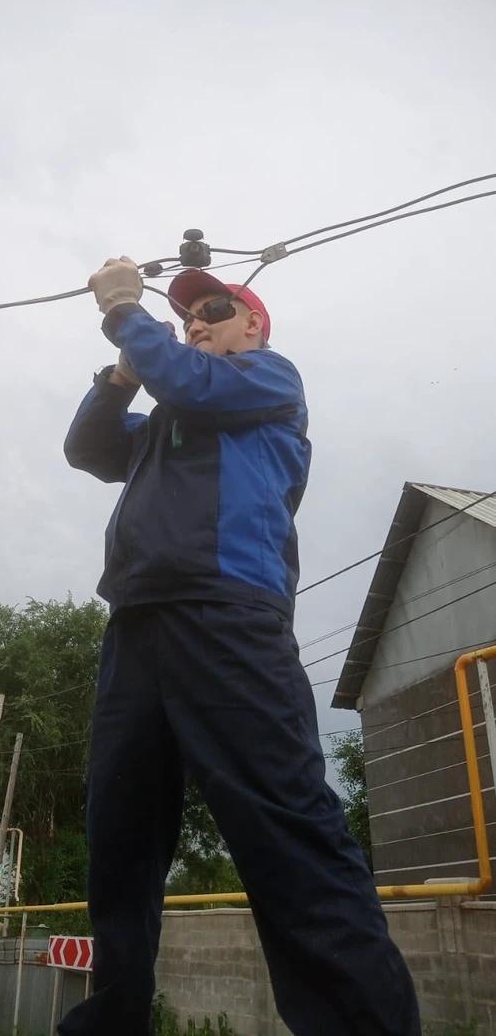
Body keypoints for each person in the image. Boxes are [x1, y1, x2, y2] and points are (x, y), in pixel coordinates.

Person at [60, 255, 420, 1036]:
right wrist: (121, 373)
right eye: (187, 315)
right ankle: (109, 1022)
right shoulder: (167, 419)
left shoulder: (269, 382)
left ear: (253, 325)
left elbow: (191, 382)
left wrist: (128, 315)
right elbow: (88, 448)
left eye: (214, 310)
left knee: (285, 826)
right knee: (119, 840)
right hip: (137, 624)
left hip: (227, 617)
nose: (196, 321)